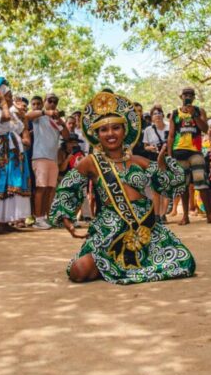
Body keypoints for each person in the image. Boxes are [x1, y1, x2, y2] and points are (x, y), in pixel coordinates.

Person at [50, 91, 196, 284]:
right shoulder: (90, 162)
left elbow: (170, 185)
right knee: (78, 271)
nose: (110, 134)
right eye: (104, 130)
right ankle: (111, 264)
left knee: (185, 263)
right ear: (97, 134)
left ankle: (116, 267)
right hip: (109, 229)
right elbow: (66, 189)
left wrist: (163, 165)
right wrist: (67, 221)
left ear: (124, 131)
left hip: (146, 228)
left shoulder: (139, 161)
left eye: (116, 128)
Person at [0, 77, 31, 232]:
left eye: (10, 96)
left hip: (13, 151)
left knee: (12, 184)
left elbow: (19, 127)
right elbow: (4, 118)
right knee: (2, 183)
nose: (11, 99)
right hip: (2, 150)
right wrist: (3, 104)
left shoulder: (13, 114)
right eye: (8, 96)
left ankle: (7, 220)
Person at [171, 87, 211, 224]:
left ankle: (209, 215)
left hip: (196, 151)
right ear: (181, 97)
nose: (188, 96)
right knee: (183, 186)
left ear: (194, 97)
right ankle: (185, 216)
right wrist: (169, 155)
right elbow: (171, 135)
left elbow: (205, 129)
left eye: (190, 94)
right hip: (179, 152)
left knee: (202, 183)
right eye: (185, 94)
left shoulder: (199, 111)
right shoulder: (175, 113)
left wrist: (194, 115)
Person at [26, 92, 64, 228]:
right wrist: (45, 112)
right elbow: (27, 116)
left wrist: (60, 121)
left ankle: (47, 217)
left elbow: (65, 134)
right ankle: (38, 219)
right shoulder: (39, 116)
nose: (52, 103)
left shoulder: (56, 120)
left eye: (55, 101)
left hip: (53, 158)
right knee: (41, 189)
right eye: (50, 100)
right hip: (40, 156)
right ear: (45, 101)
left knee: (50, 189)